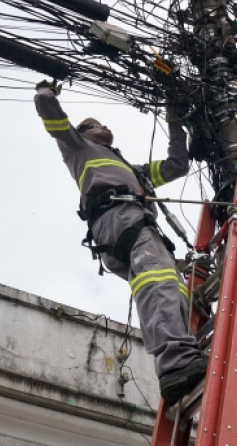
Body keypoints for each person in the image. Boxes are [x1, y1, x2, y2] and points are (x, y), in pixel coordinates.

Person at [34, 80, 207, 405]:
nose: (106, 126)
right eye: (97, 125)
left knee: (172, 285)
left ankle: (180, 355)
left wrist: (174, 123)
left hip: (128, 228)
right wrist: (47, 91)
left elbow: (176, 166)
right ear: (84, 132)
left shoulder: (133, 171)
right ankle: (175, 362)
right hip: (121, 222)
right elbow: (52, 118)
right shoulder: (79, 148)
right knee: (158, 281)